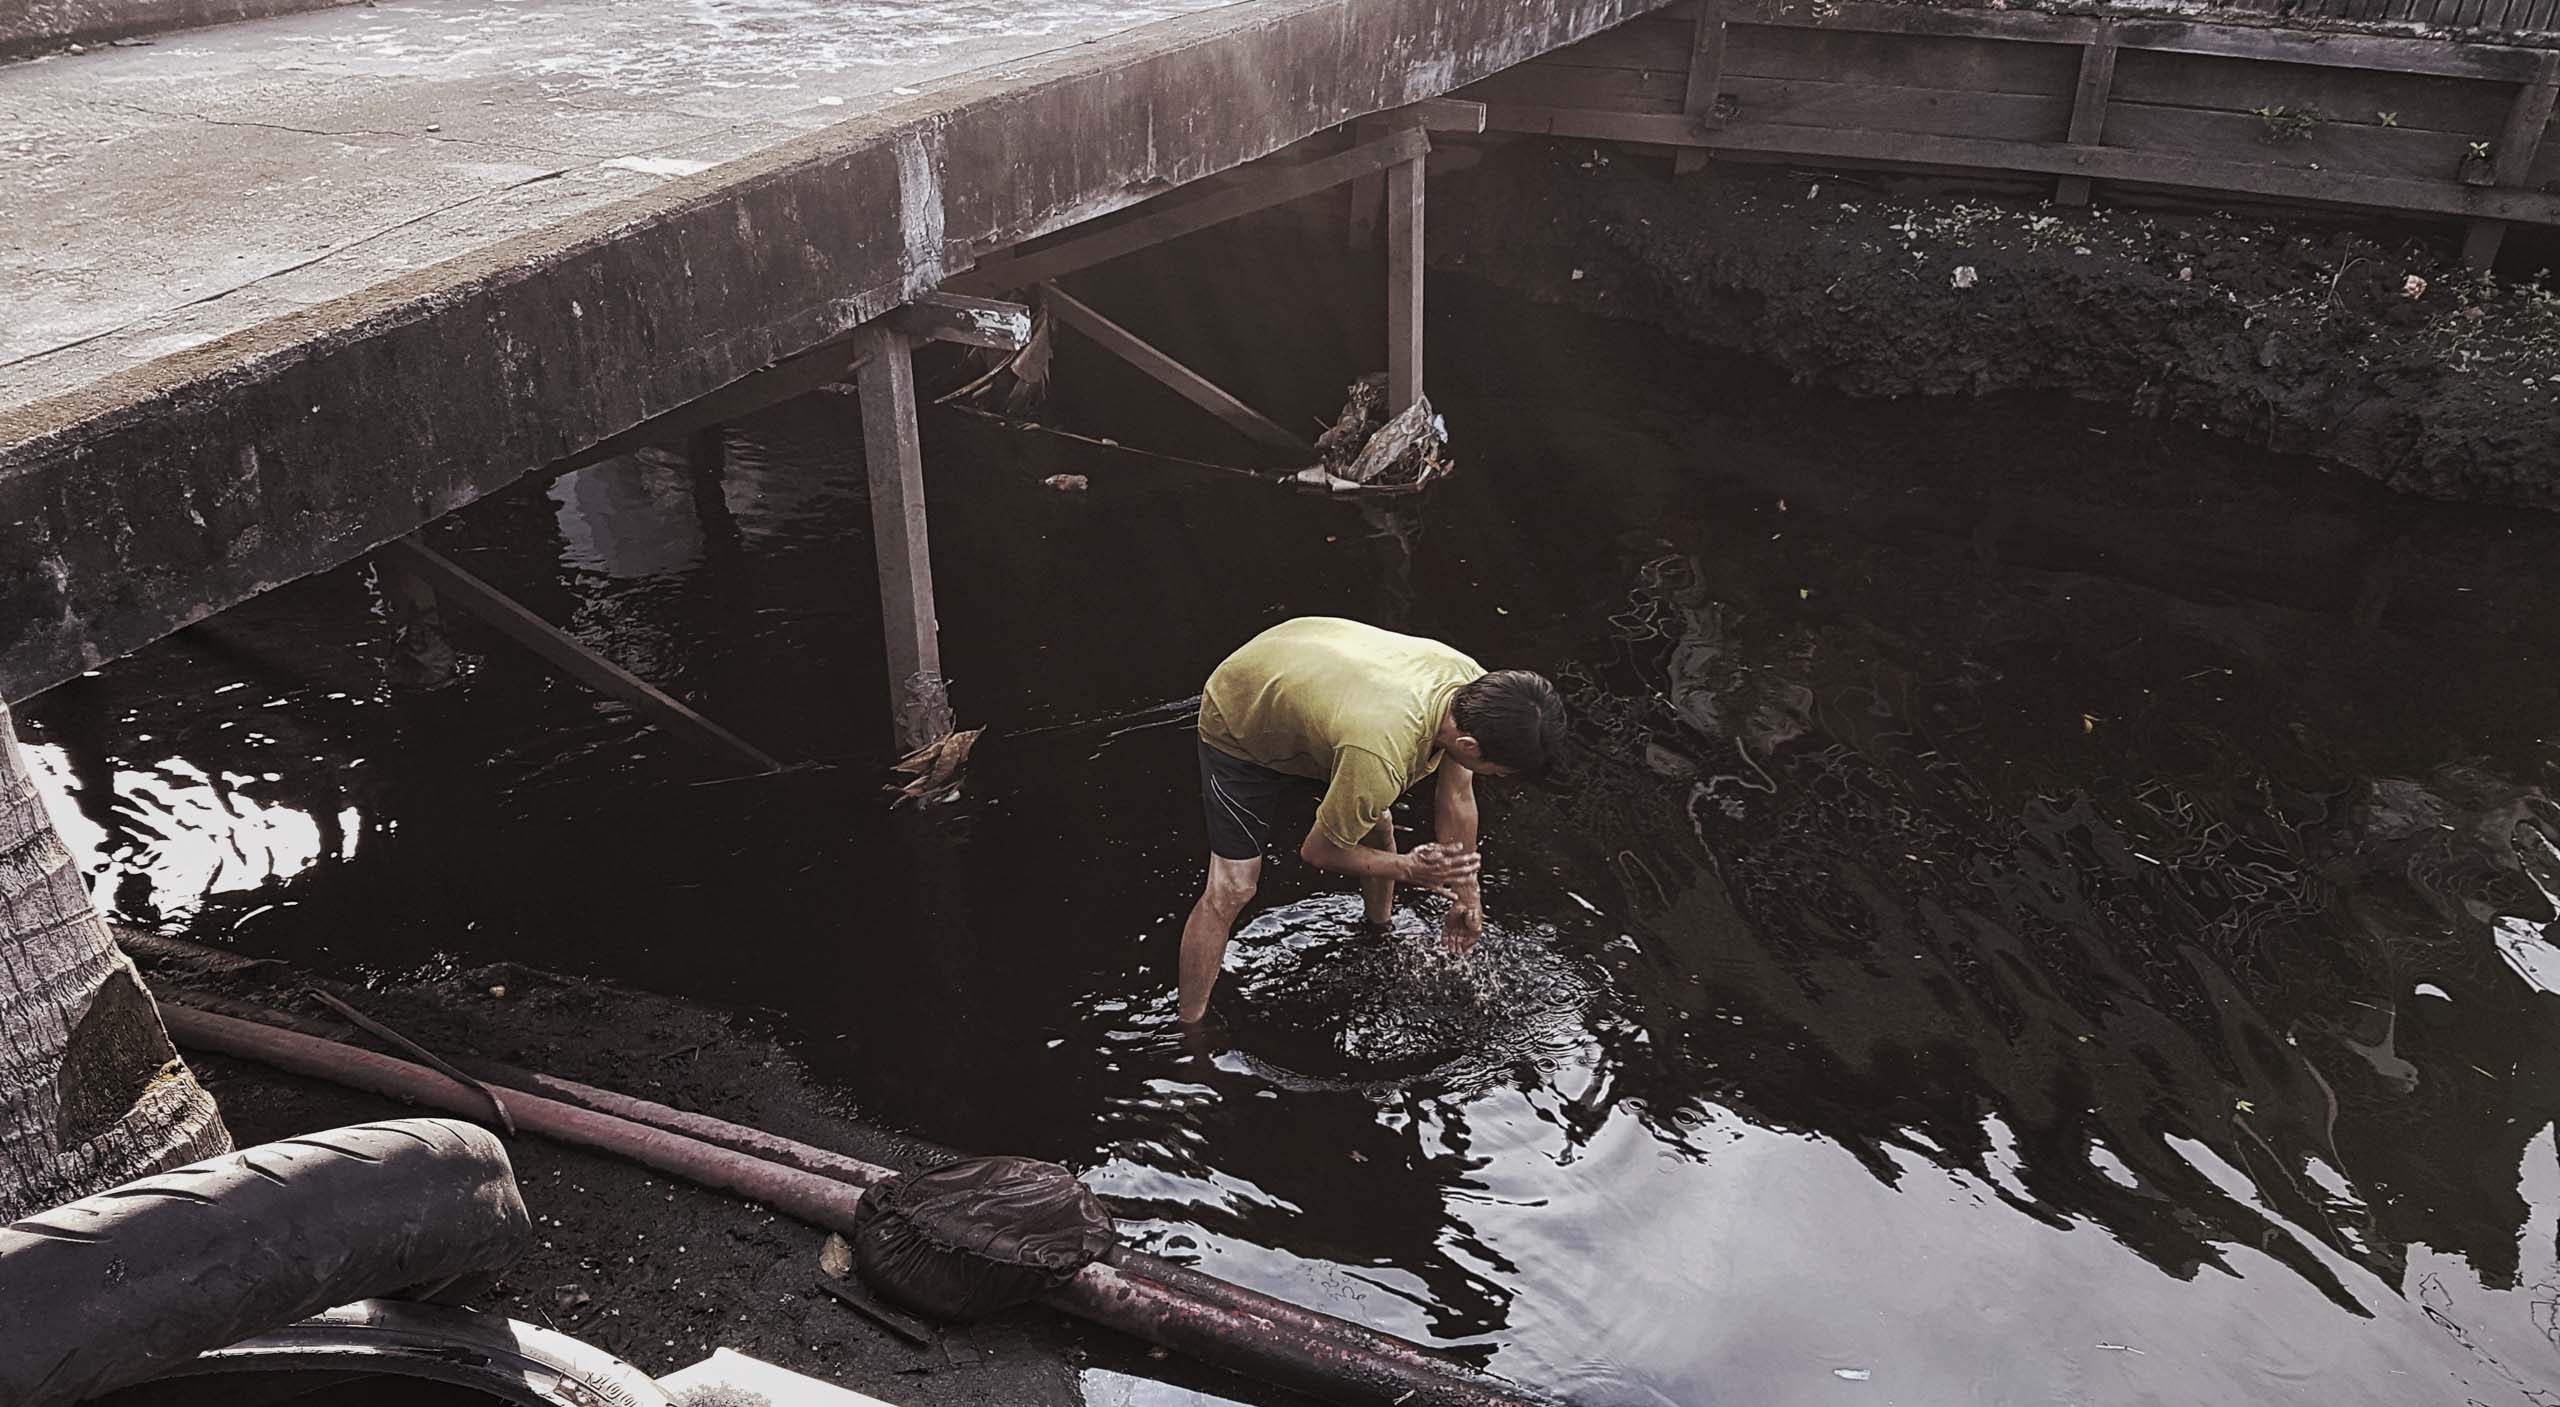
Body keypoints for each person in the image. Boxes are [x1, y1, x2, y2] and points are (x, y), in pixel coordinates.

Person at [1179, 617, 1567, 1024]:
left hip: (1309, 671)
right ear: (1469, 745)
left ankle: (1379, 931)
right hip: (1241, 707)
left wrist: (1467, 892)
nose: (1500, 779)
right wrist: (1407, 868)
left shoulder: (1476, 695)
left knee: (1378, 825)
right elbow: (1318, 851)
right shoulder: (1381, 756)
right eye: (1499, 772)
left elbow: (1456, 796)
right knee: (1233, 887)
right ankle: (1190, 1028)